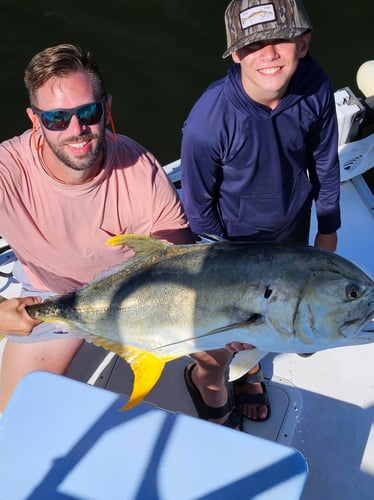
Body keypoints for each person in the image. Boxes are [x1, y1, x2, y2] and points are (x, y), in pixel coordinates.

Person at [0, 43, 195, 413]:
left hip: (138, 297)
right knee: (13, 416)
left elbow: (179, 262)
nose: (77, 130)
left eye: (87, 112)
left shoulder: (140, 168)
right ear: (34, 119)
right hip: (48, 295)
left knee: (229, 351)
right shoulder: (8, 170)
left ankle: (208, 387)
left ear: (106, 108)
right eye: (56, 119)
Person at [181, 0, 341, 428]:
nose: (268, 54)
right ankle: (223, 375)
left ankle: (252, 367)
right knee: (236, 324)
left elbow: (325, 163)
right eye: (253, 46)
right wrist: (224, 263)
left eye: (280, 40)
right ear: (235, 54)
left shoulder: (317, 86)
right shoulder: (208, 121)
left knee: (277, 313)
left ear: (303, 44)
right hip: (233, 243)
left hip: (292, 227)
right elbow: (199, 208)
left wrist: (328, 231)